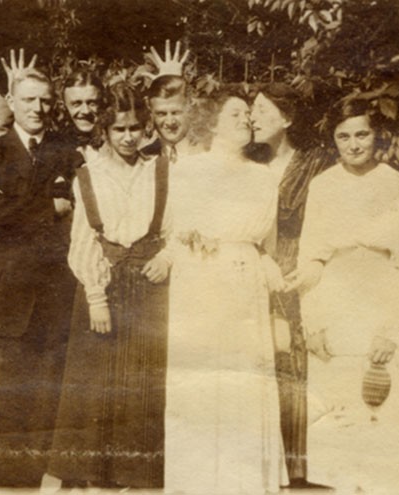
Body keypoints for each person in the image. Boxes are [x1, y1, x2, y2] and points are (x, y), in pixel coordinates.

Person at [286, 98, 399, 491]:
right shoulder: (322, 185)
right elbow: (310, 258)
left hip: (383, 306)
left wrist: (391, 329)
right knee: (340, 428)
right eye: (343, 136)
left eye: (361, 133)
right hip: (334, 306)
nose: (353, 144)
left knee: (385, 422)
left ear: (377, 134)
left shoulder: (398, 186)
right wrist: (312, 324)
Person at [0, 68, 81, 487]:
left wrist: (18, 202)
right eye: (28, 100)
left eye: (45, 100)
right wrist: (50, 207)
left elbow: (67, 206)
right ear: (9, 102)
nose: (38, 109)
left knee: (40, 404)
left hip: (51, 297)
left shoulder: (66, 153)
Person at [164, 88, 287, 494]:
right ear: (211, 122)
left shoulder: (263, 175)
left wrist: (262, 261)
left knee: (244, 381)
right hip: (201, 283)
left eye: (249, 114)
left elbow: (265, 241)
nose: (247, 119)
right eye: (236, 113)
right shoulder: (188, 170)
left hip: (246, 283)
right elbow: (178, 233)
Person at [49, 82, 171, 489]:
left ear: (146, 128)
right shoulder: (89, 176)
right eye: (119, 129)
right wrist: (96, 298)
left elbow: (176, 229)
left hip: (150, 291)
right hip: (105, 289)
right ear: (105, 130)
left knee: (142, 382)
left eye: (135, 127)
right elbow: (82, 241)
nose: (128, 136)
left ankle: (137, 477)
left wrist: (166, 259)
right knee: (97, 385)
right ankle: (95, 477)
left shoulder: (159, 171)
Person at [250, 83, 333, 484]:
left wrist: (317, 259)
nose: (253, 117)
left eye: (263, 110)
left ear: (287, 118)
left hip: (298, 273)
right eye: (251, 110)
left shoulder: (315, 163)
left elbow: (335, 216)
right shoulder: (244, 164)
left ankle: (298, 473)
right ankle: (261, 467)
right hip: (252, 273)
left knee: (295, 368)